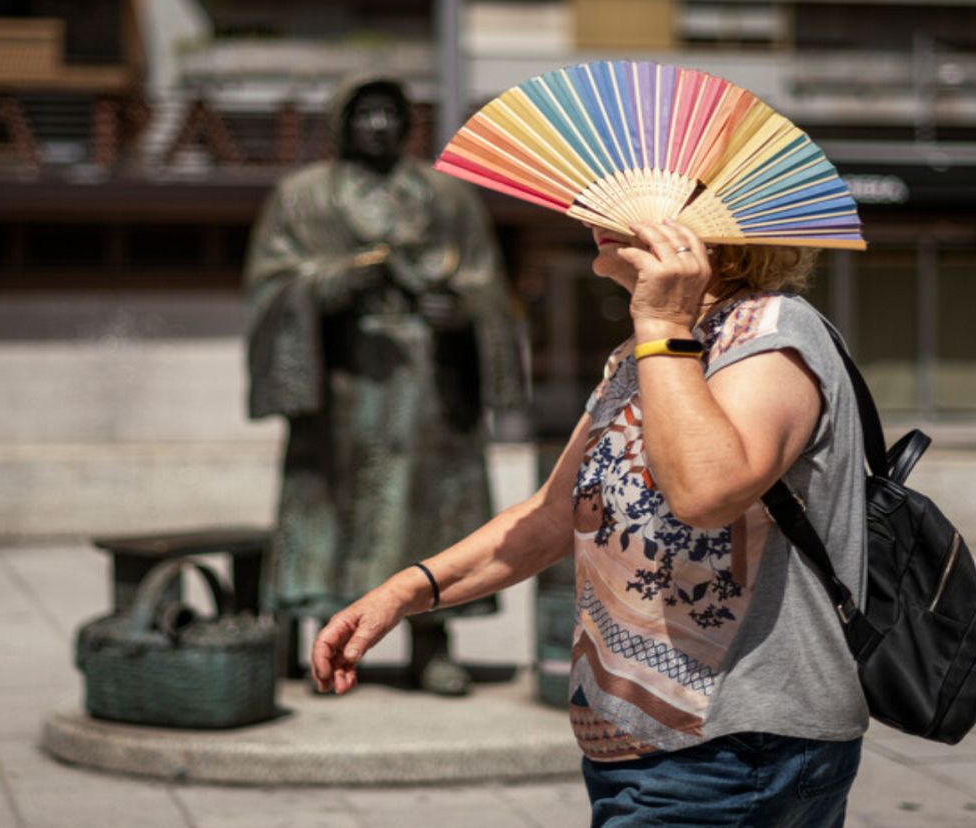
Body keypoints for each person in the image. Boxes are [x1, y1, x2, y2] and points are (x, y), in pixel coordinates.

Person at [312, 219, 869, 826]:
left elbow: (707, 492)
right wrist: (404, 592)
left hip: (736, 749)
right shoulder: (637, 355)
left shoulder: (771, 331)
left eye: (637, 202)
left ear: (716, 229)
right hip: (635, 744)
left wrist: (661, 324)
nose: (602, 220)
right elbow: (553, 513)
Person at [243, 77, 525, 696]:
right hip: (343, 378)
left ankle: (432, 645)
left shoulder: (447, 197)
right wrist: (335, 283)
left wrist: (461, 312)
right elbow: (269, 285)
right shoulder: (302, 197)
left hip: (429, 380)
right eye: (364, 113)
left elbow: (486, 284)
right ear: (341, 122)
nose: (377, 126)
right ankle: (334, 639)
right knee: (337, 506)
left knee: (431, 510)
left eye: (389, 113)